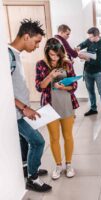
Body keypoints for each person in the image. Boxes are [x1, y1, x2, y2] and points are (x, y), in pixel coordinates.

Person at [8, 18, 51, 192]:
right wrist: (24, 108)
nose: (37, 46)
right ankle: (32, 178)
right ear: (26, 36)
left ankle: (28, 168)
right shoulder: (7, 56)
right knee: (38, 142)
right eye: (36, 42)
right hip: (16, 113)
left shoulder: (14, 55)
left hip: (20, 111)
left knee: (24, 142)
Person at [35, 38, 79, 180]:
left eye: (57, 55)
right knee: (54, 138)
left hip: (66, 104)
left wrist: (63, 87)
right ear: (47, 53)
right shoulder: (41, 65)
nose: (55, 58)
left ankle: (69, 164)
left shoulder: (67, 63)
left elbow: (74, 86)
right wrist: (50, 76)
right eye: (52, 55)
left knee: (68, 136)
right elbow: (39, 87)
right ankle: (58, 166)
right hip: (49, 106)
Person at [76, 27, 101, 120]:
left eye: (91, 37)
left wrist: (85, 58)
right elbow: (83, 44)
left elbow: (99, 62)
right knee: (90, 92)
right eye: (89, 37)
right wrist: (78, 47)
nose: (89, 39)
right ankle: (93, 109)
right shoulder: (89, 40)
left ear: (97, 36)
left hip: (98, 72)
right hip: (87, 72)